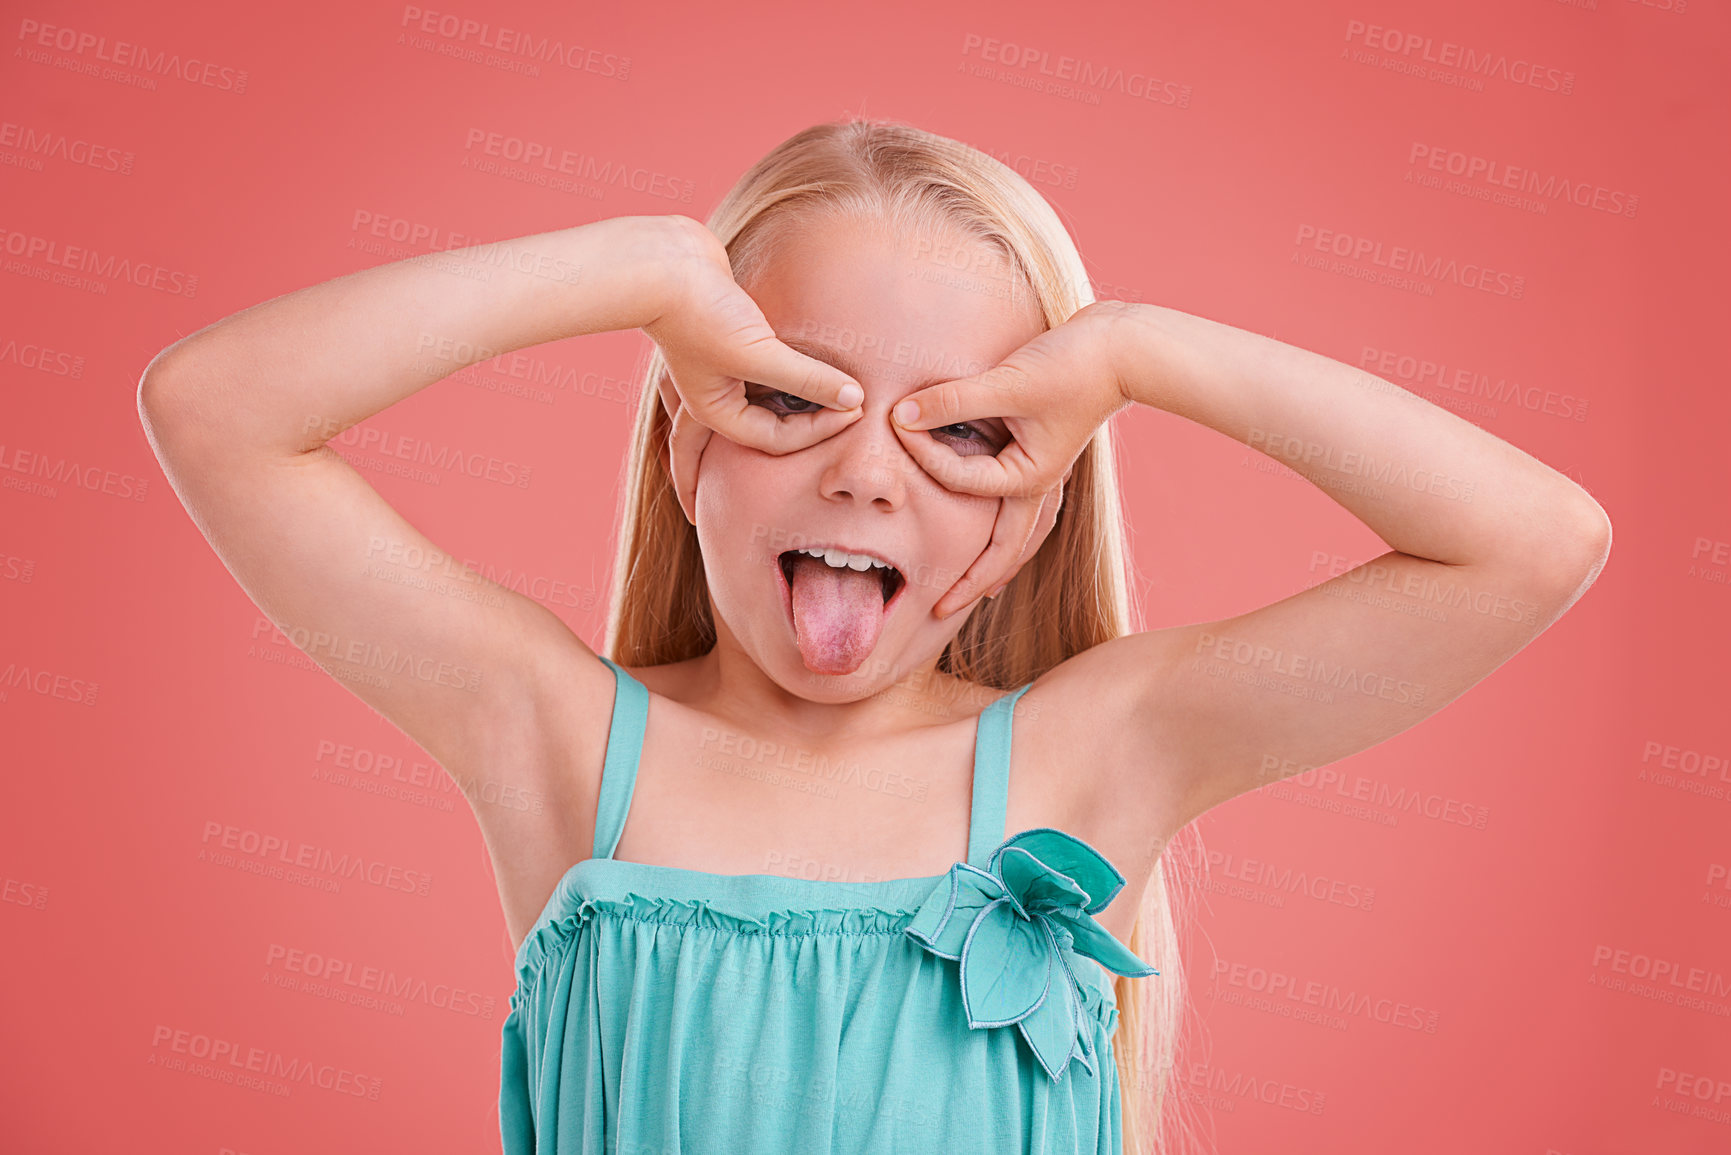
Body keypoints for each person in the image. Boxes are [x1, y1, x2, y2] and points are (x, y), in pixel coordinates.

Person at [136, 119, 1612, 1154]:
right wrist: (642, 272)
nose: (866, 473)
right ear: (684, 452)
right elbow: (217, 411)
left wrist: (1138, 349)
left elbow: (1532, 543)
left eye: (966, 431)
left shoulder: (1095, 752)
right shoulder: (561, 740)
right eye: (789, 399)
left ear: (1028, 515)